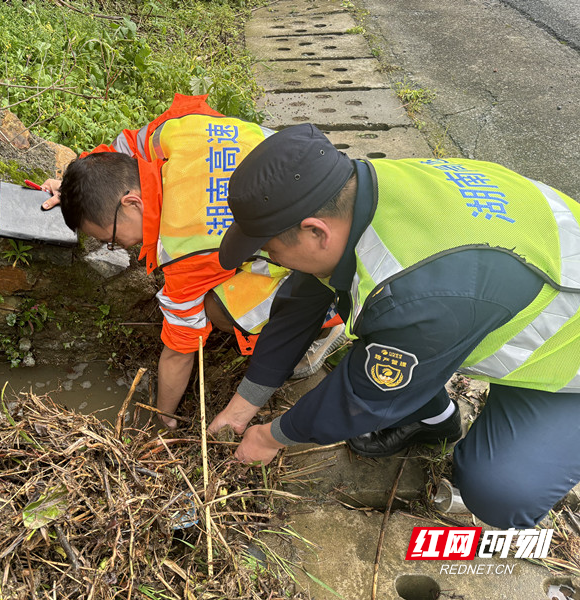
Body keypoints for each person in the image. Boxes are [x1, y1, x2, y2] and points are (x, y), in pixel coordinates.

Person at [209, 122, 580, 529]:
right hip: (507, 293)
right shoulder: (365, 188)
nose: (272, 260)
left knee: (501, 491)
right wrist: (244, 404)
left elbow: (364, 395)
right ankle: (433, 419)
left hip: (563, 364)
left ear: (316, 232)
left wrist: (270, 437)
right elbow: (304, 297)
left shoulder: (418, 294)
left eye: (272, 250)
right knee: (394, 348)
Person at [40, 95, 343, 428]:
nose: (116, 245)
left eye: (111, 238)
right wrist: (74, 184)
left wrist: (163, 419)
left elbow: (179, 351)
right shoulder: (174, 131)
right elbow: (124, 147)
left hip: (325, 251)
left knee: (216, 309)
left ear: (132, 203)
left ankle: (322, 324)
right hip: (322, 170)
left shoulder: (185, 247)